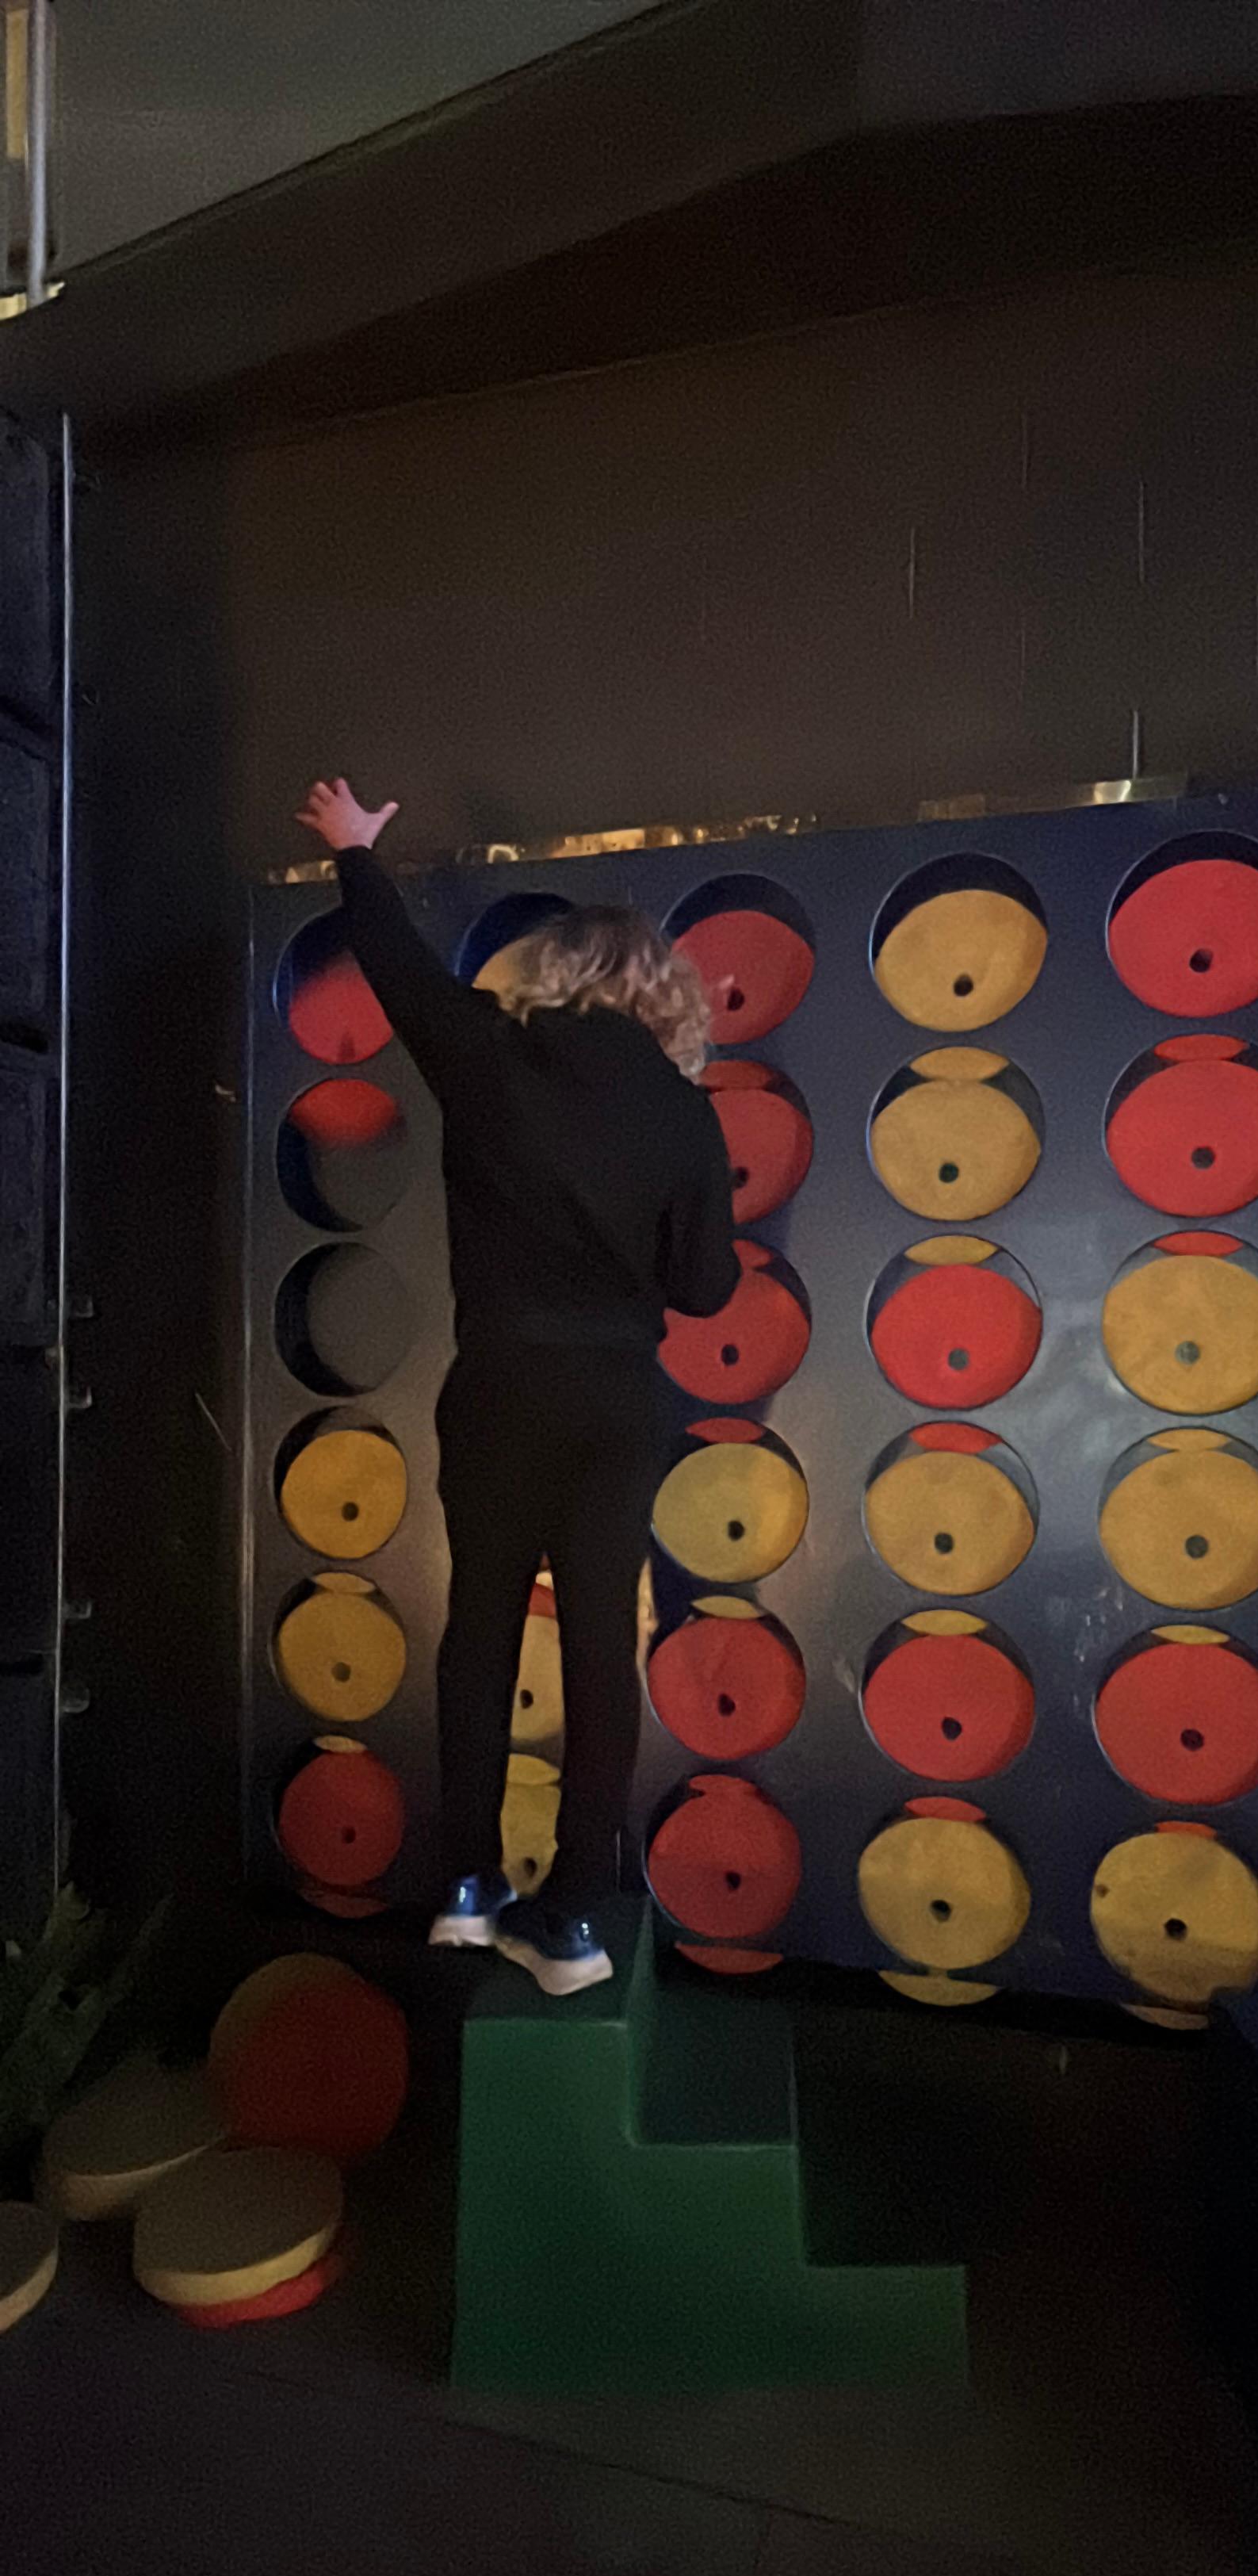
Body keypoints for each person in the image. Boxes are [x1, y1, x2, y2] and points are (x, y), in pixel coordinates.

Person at [294, 778, 739, 1992]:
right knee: (601, 1643)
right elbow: (704, 1294)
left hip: (498, 1387)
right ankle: (577, 1916)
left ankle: (465, 1888)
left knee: (479, 1628)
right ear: (657, 993)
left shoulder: (492, 1059)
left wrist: (355, 852)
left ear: (558, 976)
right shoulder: (688, 1118)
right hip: (614, 1402)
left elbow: (394, 968)